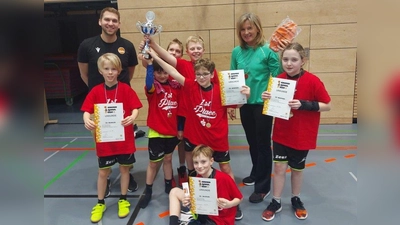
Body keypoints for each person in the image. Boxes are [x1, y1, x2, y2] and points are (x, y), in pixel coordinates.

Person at [147, 48, 249, 220]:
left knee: (225, 168)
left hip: (217, 138)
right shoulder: (190, 86)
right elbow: (172, 70)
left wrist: (246, 95)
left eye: (205, 74)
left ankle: (234, 201)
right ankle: (200, 201)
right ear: (195, 75)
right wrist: (155, 57)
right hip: (195, 138)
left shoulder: (221, 90)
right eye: (199, 74)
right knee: (195, 170)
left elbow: (237, 105)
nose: (201, 77)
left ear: (211, 74)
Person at [260, 42, 331, 221]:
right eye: (285, 59)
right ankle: (276, 201)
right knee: (278, 168)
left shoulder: (313, 81)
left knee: (297, 170)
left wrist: (304, 104)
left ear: (303, 61)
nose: (289, 63)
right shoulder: (278, 78)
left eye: (294, 59)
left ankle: (296, 198)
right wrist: (267, 97)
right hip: (281, 134)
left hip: (301, 135)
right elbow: (274, 104)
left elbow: (327, 105)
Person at [77, 7, 140, 197]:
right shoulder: (87, 45)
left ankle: (127, 173)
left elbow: (129, 73)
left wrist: (118, 93)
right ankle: (108, 173)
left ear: (119, 24)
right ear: (100, 21)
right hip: (99, 105)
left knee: (124, 142)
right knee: (104, 145)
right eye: (107, 20)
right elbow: (84, 73)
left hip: (121, 106)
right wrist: (100, 93)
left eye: (114, 20)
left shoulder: (127, 46)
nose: (110, 23)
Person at [81, 53, 143, 222]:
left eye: (113, 69)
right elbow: (87, 110)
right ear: (100, 71)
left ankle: (123, 199)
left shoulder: (125, 89)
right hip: (105, 142)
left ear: (119, 70)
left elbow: (136, 107)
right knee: (103, 173)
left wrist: (133, 116)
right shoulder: (95, 91)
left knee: (125, 170)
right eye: (106, 69)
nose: (110, 72)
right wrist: (86, 119)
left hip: (124, 140)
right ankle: (100, 202)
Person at [229, 13, 282, 207]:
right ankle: (256, 171)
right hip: (245, 104)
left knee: (262, 143)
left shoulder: (268, 50)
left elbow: (277, 77)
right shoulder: (237, 52)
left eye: (249, 28)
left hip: (262, 104)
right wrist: (233, 102)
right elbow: (233, 79)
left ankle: (262, 186)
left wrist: (272, 96)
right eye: (243, 29)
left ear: (257, 28)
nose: (246, 32)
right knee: (252, 142)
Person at [139, 38, 189, 186]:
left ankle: (180, 169)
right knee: (156, 162)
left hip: (175, 124)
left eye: (178, 51)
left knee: (173, 153)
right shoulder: (155, 81)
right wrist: (147, 51)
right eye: (171, 50)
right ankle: (152, 187)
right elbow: (148, 68)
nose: (174, 53)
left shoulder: (178, 77)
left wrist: (180, 127)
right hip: (159, 127)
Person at [138, 56, 181, 209]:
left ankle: (168, 184)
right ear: (154, 73)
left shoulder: (175, 87)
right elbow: (148, 82)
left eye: (165, 72)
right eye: (159, 72)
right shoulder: (153, 88)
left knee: (168, 159)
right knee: (153, 163)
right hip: (157, 132)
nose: (162, 75)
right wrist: (149, 65)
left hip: (172, 132)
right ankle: (148, 190)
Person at [168, 145, 243, 225]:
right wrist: (188, 201)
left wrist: (230, 204)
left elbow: (239, 198)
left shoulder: (223, 178)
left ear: (211, 161)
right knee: (174, 191)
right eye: (196, 163)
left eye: (203, 162)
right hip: (203, 215)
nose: (199, 166)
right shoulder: (198, 177)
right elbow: (197, 199)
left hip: (219, 221)